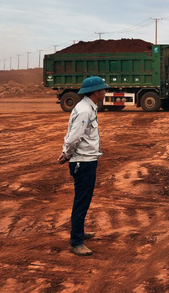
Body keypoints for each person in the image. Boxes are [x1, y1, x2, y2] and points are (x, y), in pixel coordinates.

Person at [58, 76, 108, 256]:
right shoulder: (85, 111)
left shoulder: (87, 107)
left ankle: (79, 232)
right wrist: (67, 154)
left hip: (86, 159)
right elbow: (73, 137)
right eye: (103, 89)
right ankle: (76, 241)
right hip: (83, 162)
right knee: (81, 201)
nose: (105, 91)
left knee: (83, 200)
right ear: (96, 92)